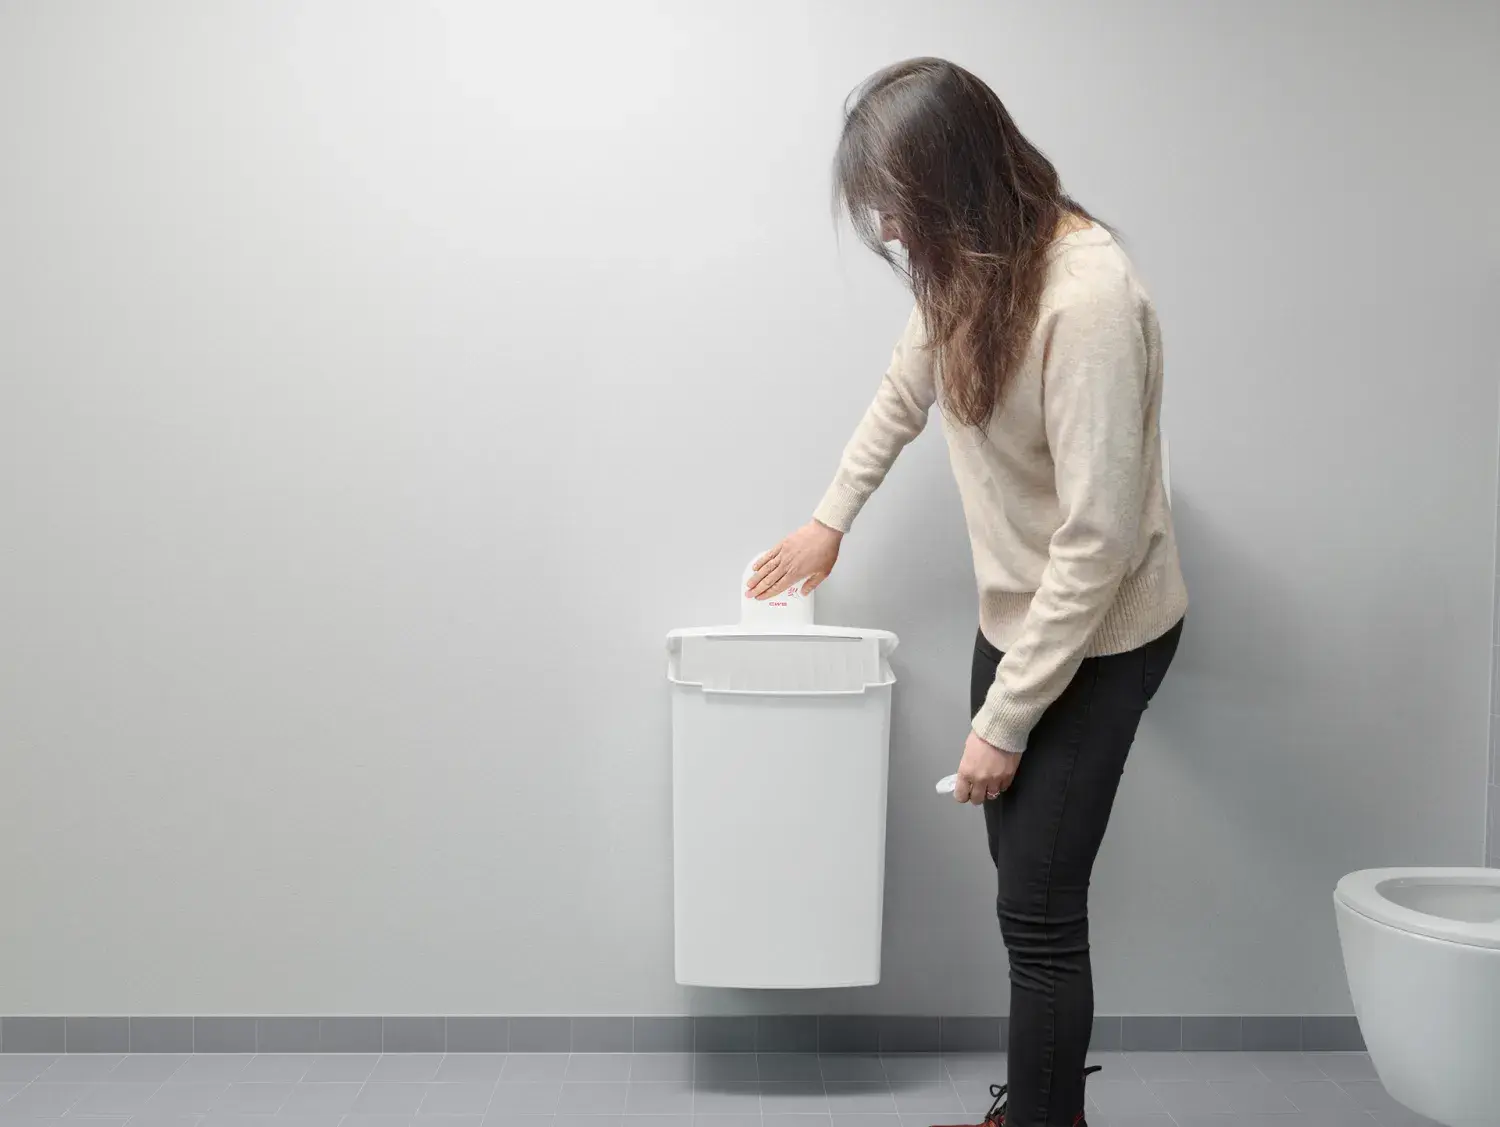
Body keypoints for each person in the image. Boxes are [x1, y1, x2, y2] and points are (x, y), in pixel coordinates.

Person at [747, 58, 1188, 1127]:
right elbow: (905, 390)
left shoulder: (1085, 299)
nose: (889, 230)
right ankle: (1037, 1104)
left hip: (1102, 632)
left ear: (955, 181)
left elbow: (1097, 542)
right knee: (1020, 896)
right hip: (1020, 616)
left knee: (1039, 910)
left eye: (896, 205)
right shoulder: (972, 263)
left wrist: (1001, 719)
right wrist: (830, 518)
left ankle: (1042, 1120)